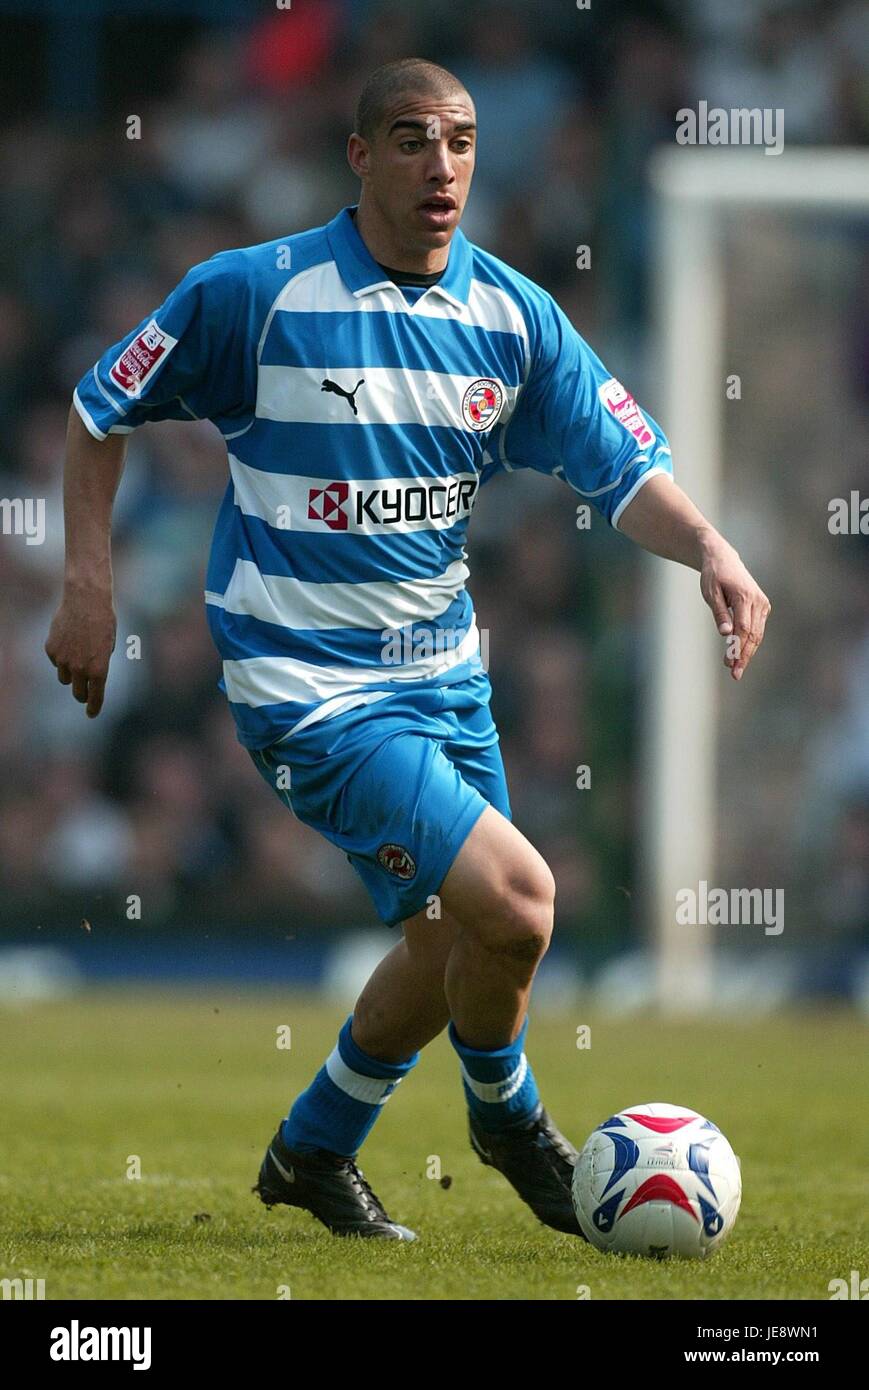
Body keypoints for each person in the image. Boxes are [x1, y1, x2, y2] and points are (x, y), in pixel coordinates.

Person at [46, 58, 771, 1242]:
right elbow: (96, 411)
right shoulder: (252, 295)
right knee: (523, 902)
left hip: (443, 674)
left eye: (462, 141)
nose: (442, 166)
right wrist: (89, 582)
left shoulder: (511, 318)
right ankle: (510, 1118)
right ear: (358, 156)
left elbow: (622, 469)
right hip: (304, 687)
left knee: (458, 935)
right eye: (410, 139)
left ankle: (311, 1151)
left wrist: (708, 550)